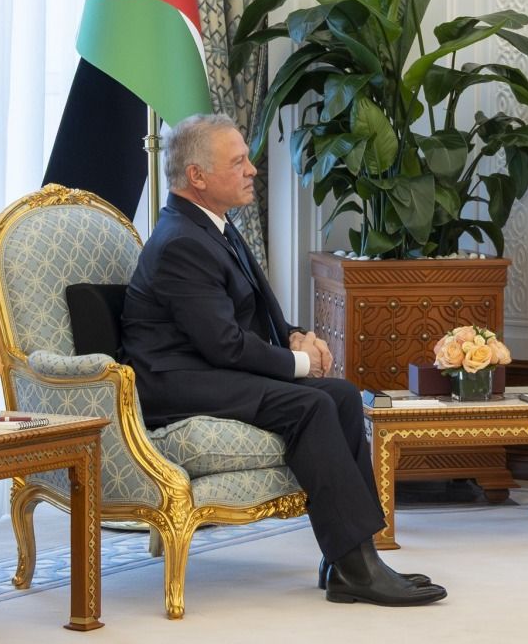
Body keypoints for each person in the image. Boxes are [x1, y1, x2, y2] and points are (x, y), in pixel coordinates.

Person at [121, 113, 446, 606]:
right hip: (178, 383)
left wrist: (294, 336)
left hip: (208, 369)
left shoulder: (210, 227)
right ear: (197, 176)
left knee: (341, 396)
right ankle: (357, 567)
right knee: (310, 405)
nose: (252, 169)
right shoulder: (181, 242)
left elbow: (244, 315)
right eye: (238, 161)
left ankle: (349, 559)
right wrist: (299, 363)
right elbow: (224, 344)